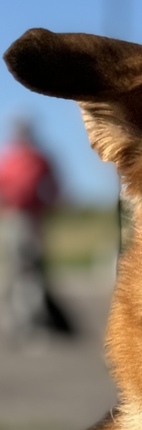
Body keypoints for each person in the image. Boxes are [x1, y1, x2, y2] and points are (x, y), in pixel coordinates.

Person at [0, 119, 75, 337]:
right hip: (14, 218)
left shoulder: (38, 158)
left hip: (34, 219)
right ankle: (16, 322)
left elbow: (53, 185)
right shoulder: (10, 157)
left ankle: (32, 322)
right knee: (16, 270)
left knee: (31, 270)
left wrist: (51, 206)